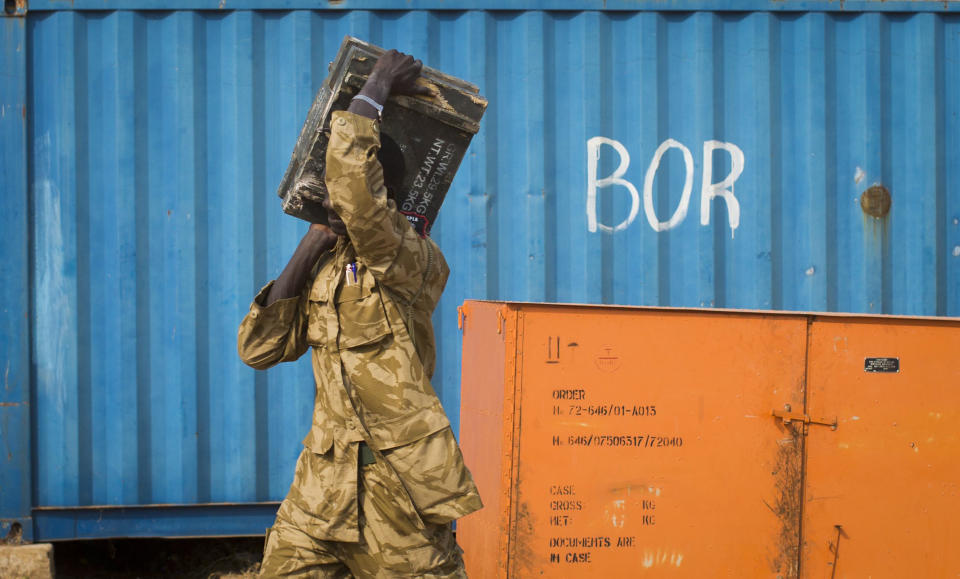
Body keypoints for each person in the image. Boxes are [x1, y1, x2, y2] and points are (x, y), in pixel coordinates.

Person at [237, 49, 482, 578]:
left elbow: (357, 194)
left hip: (399, 495)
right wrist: (313, 242)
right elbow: (259, 349)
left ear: (381, 197)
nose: (333, 194)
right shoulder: (326, 270)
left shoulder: (410, 260)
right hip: (321, 494)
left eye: (343, 190)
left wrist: (375, 87)